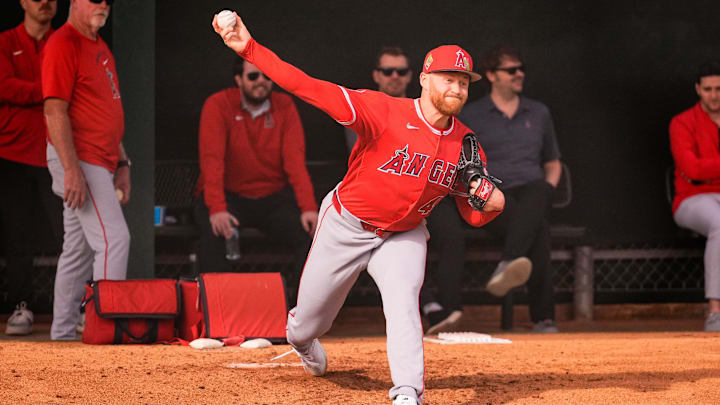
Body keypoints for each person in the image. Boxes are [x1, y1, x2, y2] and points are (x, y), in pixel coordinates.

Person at [213, 13, 506, 405]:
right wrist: (248, 48)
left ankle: (407, 391)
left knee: (404, 301)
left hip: (404, 233)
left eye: (463, 81)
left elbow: (473, 216)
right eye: (447, 78)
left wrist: (488, 199)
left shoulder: (466, 144)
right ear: (424, 79)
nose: (456, 87)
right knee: (310, 323)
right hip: (347, 224)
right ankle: (301, 339)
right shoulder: (384, 111)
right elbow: (308, 88)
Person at [194, 56, 319, 305]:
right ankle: (221, 310)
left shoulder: (284, 105)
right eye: (253, 76)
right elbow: (212, 161)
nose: (261, 81)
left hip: (271, 197)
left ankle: (300, 312)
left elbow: (295, 162)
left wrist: (308, 208)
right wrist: (217, 209)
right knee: (213, 235)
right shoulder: (218, 104)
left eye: (266, 76)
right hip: (228, 196)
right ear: (238, 80)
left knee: (310, 234)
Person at [458, 45, 562, 333]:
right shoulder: (472, 115)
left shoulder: (539, 112)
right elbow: (464, 163)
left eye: (521, 69)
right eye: (511, 70)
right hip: (491, 196)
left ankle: (508, 263)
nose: (519, 74)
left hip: (533, 192)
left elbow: (553, 163)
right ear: (491, 75)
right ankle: (544, 319)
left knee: (539, 193)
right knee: (536, 227)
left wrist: (548, 189)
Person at [43, 0, 130, 341]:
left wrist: (123, 162)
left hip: (100, 159)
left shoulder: (98, 44)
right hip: (80, 159)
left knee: (77, 252)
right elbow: (54, 111)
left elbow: (105, 111)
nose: (104, 4)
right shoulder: (63, 42)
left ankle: (62, 333)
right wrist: (71, 169)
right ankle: (105, 329)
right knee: (115, 240)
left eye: (107, 0)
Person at [0, 0, 62, 335]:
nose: (45, 2)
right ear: (23, 2)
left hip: (57, 151)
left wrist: (35, 93)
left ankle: (79, 305)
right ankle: (19, 306)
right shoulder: (6, 42)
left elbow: (74, 89)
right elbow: (3, 86)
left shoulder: (64, 40)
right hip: (11, 153)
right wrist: (49, 91)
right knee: (17, 235)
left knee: (68, 234)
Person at [669, 60, 720, 332]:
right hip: (692, 199)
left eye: (719, 88)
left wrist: (708, 167)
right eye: (708, 88)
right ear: (698, 89)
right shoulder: (682, 122)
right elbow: (691, 169)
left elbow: (702, 167)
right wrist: (705, 171)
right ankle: (716, 312)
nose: (714, 95)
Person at [344, 46, 413, 153]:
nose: (395, 76)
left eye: (401, 72)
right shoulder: (361, 112)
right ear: (376, 76)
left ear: (409, 76)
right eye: (387, 71)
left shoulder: (423, 113)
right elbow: (360, 153)